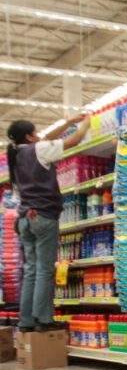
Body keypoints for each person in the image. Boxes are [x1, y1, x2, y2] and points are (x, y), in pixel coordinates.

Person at [6, 115, 91, 332]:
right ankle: (44, 319)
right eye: (35, 132)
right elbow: (74, 140)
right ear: (29, 136)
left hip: (25, 219)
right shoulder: (38, 150)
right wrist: (85, 124)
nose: (39, 135)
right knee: (44, 271)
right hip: (43, 216)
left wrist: (67, 122)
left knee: (31, 271)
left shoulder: (17, 155)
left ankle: (26, 322)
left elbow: (44, 139)